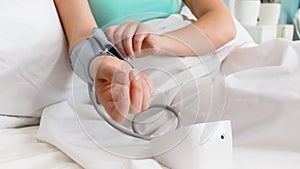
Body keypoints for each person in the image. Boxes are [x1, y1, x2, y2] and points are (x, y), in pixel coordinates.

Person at [54, 0, 236, 122]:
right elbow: (82, 39)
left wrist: (158, 41)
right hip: (140, 63)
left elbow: (223, 24)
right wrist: (100, 64)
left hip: (195, 44)